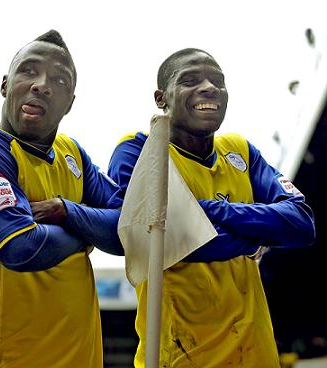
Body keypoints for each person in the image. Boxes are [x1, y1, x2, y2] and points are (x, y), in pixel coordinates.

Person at [108, 48, 316, 367]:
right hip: (182, 356)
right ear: (161, 98)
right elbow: (159, 237)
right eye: (191, 80)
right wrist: (255, 236)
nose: (209, 88)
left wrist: (215, 211)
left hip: (256, 354)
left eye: (217, 81)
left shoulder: (240, 151)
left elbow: (301, 224)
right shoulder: (139, 150)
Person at [0, 30, 124, 367]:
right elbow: (21, 248)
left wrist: (66, 211)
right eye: (29, 71)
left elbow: (129, 232)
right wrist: (87, 230)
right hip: (10, 358)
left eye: (59, 79)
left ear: (70, 102)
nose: (42, 84)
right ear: (4, 85)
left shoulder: (73, 155)